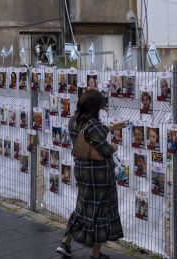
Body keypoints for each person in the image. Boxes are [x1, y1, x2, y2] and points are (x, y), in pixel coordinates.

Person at [55, 90, 127, 259]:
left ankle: (65, 243)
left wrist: (110, 127)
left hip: (82, 170)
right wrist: (113, 148)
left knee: (82, 208)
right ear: (95, 107)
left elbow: (88, 135)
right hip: (98, 175)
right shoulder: (93, 125)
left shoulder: (74, 120)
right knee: (100, 212)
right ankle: (96, 254)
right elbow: (104, 149)